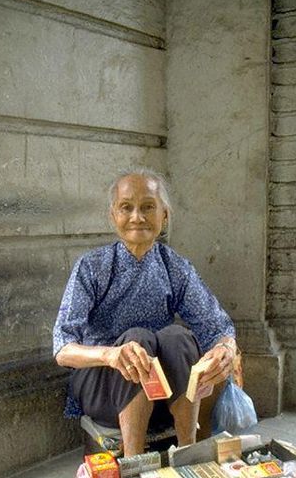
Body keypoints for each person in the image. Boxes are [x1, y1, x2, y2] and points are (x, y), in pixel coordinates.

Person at [53, 168, 236, 456]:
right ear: (113, 216)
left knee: (177, 336)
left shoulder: (175, 267)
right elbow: (62, 348)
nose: (137, 216)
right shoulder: (92, 267)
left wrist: (225, 350)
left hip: (162, 396)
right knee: (137, 340)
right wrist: (110, 355)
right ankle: (134, 461)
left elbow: (217, 327)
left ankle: (189, 452)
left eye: (148, 207)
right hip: (102, 390)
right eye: (127, 207)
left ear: (164, 216)